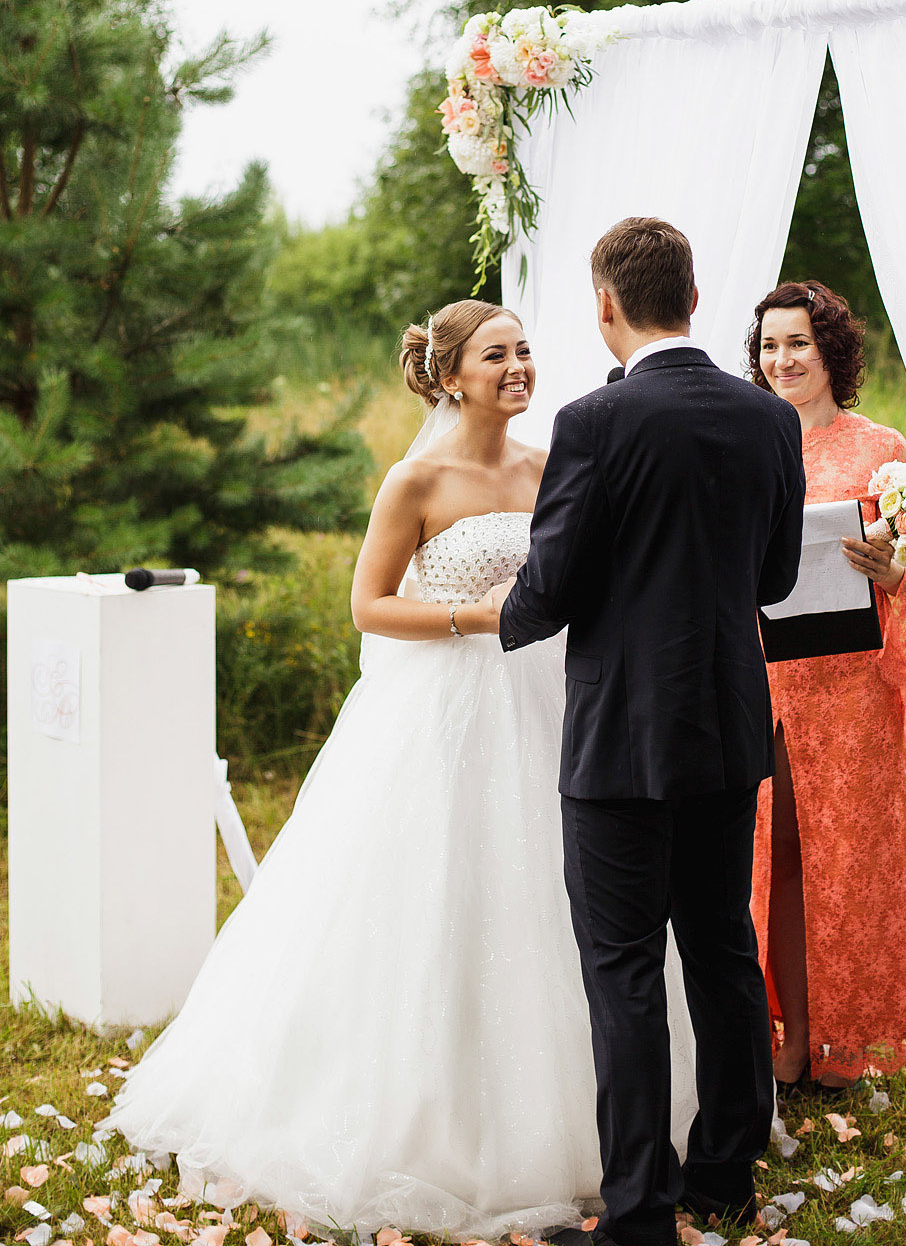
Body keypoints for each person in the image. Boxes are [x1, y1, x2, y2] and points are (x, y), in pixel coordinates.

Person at [103, 298, 696, 1241]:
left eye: (526, 352)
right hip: (443, 710)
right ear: (451, 374)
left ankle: (600, 1127)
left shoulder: (553, 466)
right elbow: (369, 606)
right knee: (428, 896)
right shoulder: (414, 480)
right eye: (496, 356)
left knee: (563, 896)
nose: (518, 368)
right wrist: (478, 618)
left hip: (550, 705)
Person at [494, 219, 806, 1246]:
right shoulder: (767, 420)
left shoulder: (594, 421)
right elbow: (769, 579)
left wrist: (501, 610)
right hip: (725, 723)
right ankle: (721, 1176)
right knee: (720, 945)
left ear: (604, 306)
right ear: (694, 297)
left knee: (623, 964)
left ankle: (633, 1214)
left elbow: (551, 586)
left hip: (622, 734)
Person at [747, 280, 906, 1096]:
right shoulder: (745, 442)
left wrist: (894, 569)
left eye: (797, 343)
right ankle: (789, 1036)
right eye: (768, 345)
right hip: (766, 676)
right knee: (779, 855)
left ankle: (845, 1033)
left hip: (851, 684)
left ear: (829, 351)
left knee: (851, 860)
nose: (781, 359)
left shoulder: (879, 447)